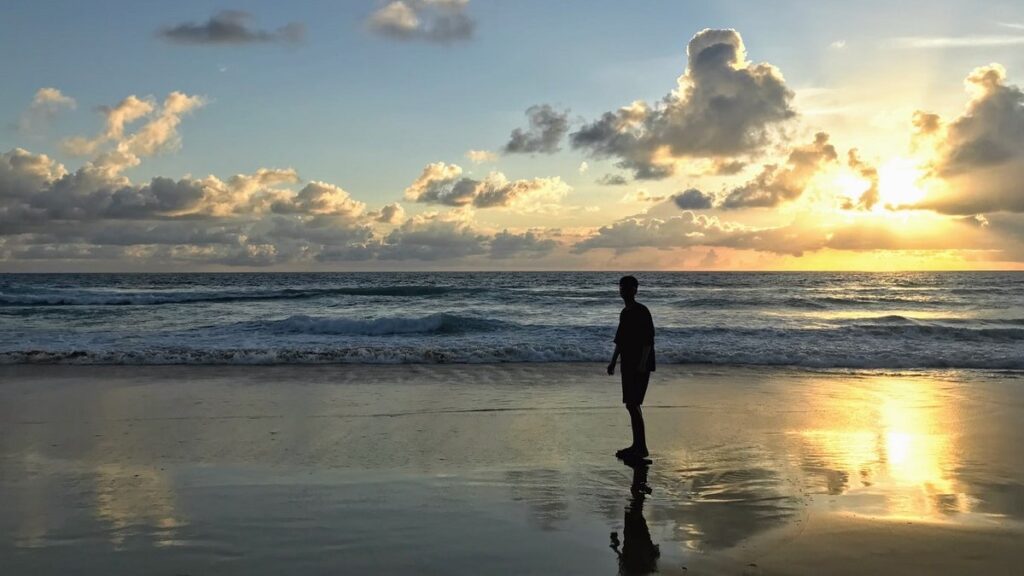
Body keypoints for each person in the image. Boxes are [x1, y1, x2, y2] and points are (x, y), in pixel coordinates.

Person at [607, 275, 655, 460]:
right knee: (630, 404)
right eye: (621, 287)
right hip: (627, 362)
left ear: (635, 290)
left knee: (634, 404)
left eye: (627, 288)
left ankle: (641, 447)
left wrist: (643, 363)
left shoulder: (642, 311)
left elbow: (648, 340)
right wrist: (613, 361)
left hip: (640, 363)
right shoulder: (625, 312)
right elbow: (620, 340)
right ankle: (638, 445)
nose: (623, 291)